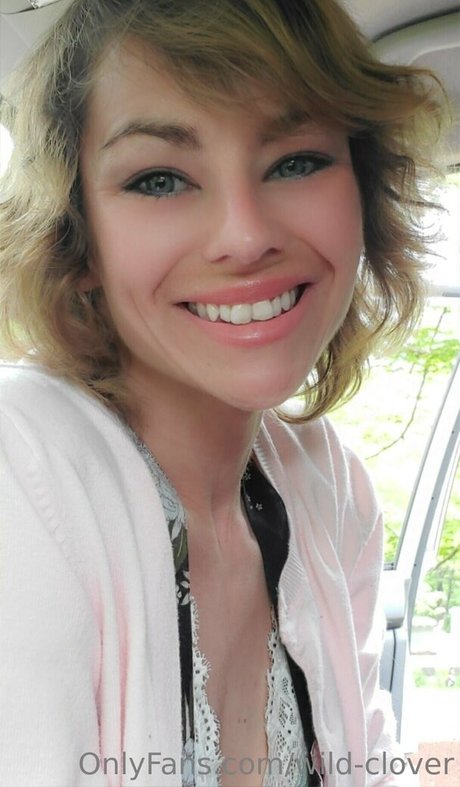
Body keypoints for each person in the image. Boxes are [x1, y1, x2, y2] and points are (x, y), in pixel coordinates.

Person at [0, 1, 447, 785]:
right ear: (78, 238)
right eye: (160, 179)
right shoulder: (21, 469)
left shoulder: (329, 486)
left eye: (296, 161)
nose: (244, 235)